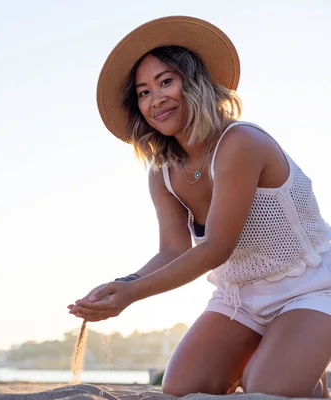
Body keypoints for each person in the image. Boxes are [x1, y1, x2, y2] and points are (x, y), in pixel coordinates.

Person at [67, 16, 331, 398]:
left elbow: (216, 247)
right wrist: (121, 285)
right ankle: (290, 367)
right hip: (238, 296)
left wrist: (134, 295)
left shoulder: (240, 142)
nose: (156, 98)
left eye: (166, 81)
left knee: (265, 388)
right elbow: (173, 251)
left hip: (311, 286)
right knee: (182, 387)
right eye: (142, 92)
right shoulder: (163, 173)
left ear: (194, 82)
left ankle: (295, 372)